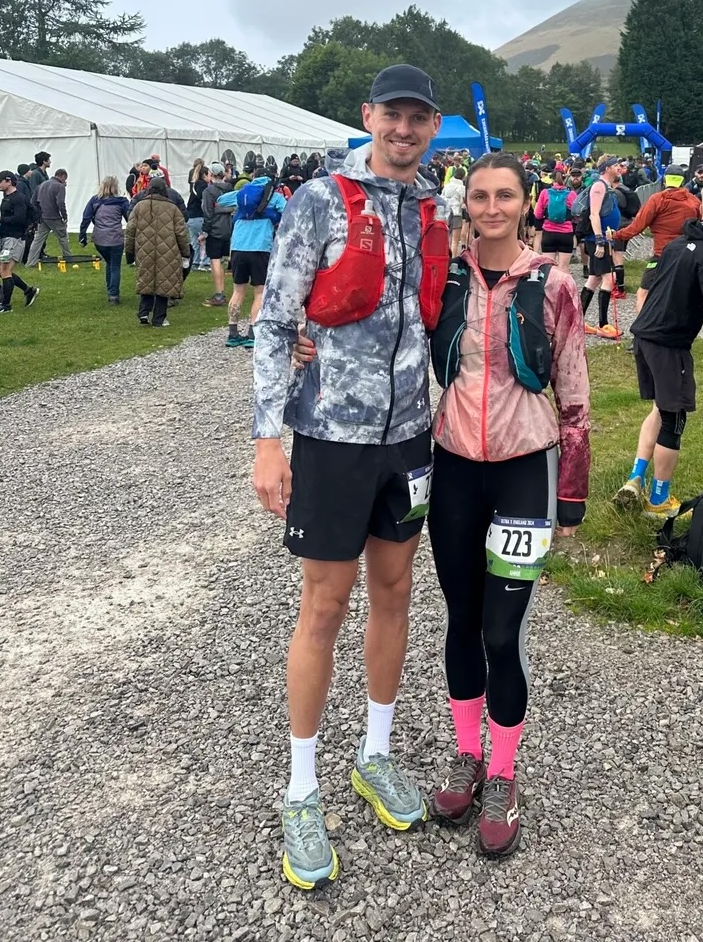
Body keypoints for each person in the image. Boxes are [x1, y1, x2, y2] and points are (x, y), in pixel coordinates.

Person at [251, 64, 448, 890]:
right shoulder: (321, 202)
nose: (404, 130)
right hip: (331, 435)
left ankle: (375, 753)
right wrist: (268, 437)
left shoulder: (434, 206)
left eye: (418, 119)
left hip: (408, 437)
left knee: (397, 592)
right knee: (324, 605)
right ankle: (302, 791)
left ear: (432, 127)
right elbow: (275, 320)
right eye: (392, 116)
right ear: (368, 117)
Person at [427, 152, 590, 856]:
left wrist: (573, 489)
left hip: (526, 468)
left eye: (505, 196)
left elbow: (575, 393)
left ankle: (502, 772)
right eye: (481, 196)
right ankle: (466, 754)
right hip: (455, 467)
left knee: (502, 634)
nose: (491, 208)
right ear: (469, 203)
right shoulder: (447, 276)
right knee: (461, 622)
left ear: (527, 203)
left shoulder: (554, 282)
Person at [616, 180, 703, 519]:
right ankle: (659, 500)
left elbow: (650, 285)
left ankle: (634, 479)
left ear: (700, 207)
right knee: (674, 416)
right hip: (669, 343)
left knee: (660, 408)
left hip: (645, 335)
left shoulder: (675, 244)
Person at [213, 170, 287, 348]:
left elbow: (221, 201)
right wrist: (270, 213)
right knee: (259, 292)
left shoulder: (242, 193)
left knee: (238, 291)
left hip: (238, 246)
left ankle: (232, 333)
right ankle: (252, 333)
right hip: (260, 247)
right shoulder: (273, 196)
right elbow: (288, 210)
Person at [612, 172, 702, 314]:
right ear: (683, 181)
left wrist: (616, 235)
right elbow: (701, 225)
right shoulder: (694, 201)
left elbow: (637, 226)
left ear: (665, 182)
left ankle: (641, 328)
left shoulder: (657, 199)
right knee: (680, 295)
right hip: (686, 255)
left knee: (644, 292)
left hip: (662, 255)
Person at [123, 176, 189, 328]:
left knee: (146, 279)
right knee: (163, 284)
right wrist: (185, 253)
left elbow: (130, 230)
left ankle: (144, 312)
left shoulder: (139, 206)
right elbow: (181, 233)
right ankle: (159, 319)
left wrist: (129, 252)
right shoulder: (173, 209)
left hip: (144, 249)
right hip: (168, 251)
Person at [578, 155, 625, 338]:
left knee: (594, 279)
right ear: (606, 168)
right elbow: (594, 215)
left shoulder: (607, 187)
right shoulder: (599, 186)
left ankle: (578, 320)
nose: (619, 168)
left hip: (604, 239)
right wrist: (599, 239)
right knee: (609, 278)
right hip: (597, 240)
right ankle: (603, 324)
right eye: (615, 165)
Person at [80, 177, 130, 303]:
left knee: (109, 262)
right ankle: (113, 295)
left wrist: (82, 235)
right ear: (116, 187)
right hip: (116, 238)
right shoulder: (121, 201)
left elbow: (86, 218)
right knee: (115, 266)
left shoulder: (94, 200)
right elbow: (130, 218)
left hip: (100, 239)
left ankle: (110, 289)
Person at [0, 171, 40, 314]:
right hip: (5, 237)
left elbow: (19, 219)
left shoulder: (18, 198)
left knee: (5, 271)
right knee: (0, 270)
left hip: (15, 238)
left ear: (8, 181)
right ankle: (28, 290)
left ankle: (6, 305)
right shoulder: (6, 198)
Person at [201, 163, 233, 308]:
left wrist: (204, 232)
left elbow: (208, 213)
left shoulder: (209, 191)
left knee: (215, 261)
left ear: (211, 175)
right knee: (225, 260)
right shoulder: (230, 188)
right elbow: (233, 207)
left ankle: (219, 293)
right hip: (228, 227)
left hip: (214, 229)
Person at [26, 168, 72, 265]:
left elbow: (32, 202)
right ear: (63, 176)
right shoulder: (60, 186)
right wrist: (64, 216)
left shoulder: (41, 185)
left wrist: (38, 214)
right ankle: (68, 258)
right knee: (63, 237)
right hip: (54, 217)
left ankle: (30, 262)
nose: (65, 181)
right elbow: (60, 203)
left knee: (38, 240)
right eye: (65, 179)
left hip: (42, 217)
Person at [533, 173, 577, 272]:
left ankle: (549, 287)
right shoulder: (571, 194)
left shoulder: (545, 193)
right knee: (564, 268)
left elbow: (537, 214)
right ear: (565, 181)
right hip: (566, 233)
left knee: (549, 269)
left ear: (552, 180)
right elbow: (577, 215)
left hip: (548, 233)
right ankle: (565, 287)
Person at [186, 160, 210, 271]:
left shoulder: (194, 184)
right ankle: (204, 263)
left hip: (190, 216)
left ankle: (194, 262)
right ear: (205, 175)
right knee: (203, 240)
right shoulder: (202, 185)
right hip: (199, 216)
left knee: (194, 242)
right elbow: (203, 200)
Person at [443, 166, 468, 257]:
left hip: (446, 214)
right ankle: (453, 260)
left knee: (447, 239)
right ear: (463, 176)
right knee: (455, 240)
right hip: (457, 213)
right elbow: (465, 201)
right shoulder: (461, 188)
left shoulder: (447, 186)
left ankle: (446, 258)